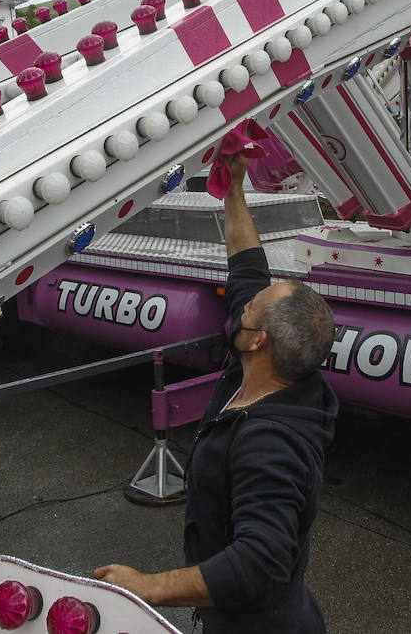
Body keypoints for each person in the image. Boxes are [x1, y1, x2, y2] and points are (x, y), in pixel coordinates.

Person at [96, 153, 339, 633]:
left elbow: (259, 563)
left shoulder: (270, 444)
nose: (244, 302)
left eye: (248, 311)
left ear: (257, 341)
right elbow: (248, 268)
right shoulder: (267, 370)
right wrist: (234, 191)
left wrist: (150, 587)